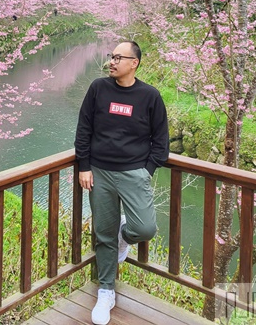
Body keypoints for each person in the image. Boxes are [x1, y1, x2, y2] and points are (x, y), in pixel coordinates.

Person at [74, 40, 169, 325]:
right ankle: (106, 291)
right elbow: (84, 128)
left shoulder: (149, 96)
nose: (112, 62)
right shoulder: (98, 89)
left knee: (144, 228)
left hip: (133, 173)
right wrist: (84, 166)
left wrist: (146, 170)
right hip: (99, 172)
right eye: (111, 56)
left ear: (134, 63)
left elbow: (160, 141)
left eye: (118, 57)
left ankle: (124, 236)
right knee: (103, 233)